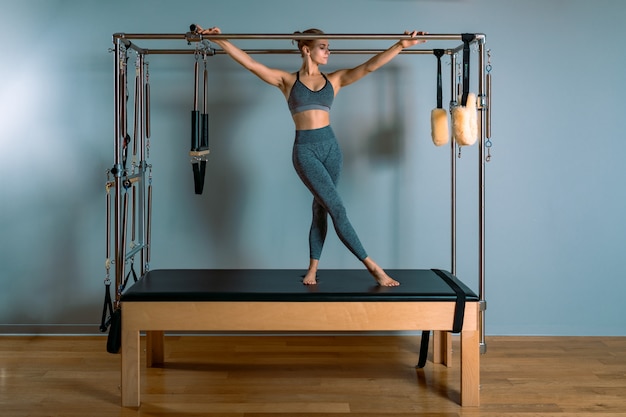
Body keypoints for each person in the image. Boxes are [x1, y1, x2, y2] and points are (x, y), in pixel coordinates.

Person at [196, 25, 426, 286]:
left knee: (322, 208)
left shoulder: (334, 80)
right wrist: (220, 40)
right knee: (337, 208)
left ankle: (313, 269)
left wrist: (400, 46)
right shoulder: (287, 81)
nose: (328, 51)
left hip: (331, 148)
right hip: (305, 151)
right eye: (323, 46)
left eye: (328, 47)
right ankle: (373, 267)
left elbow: (369, 67)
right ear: (307, 50)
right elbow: (250, 63)